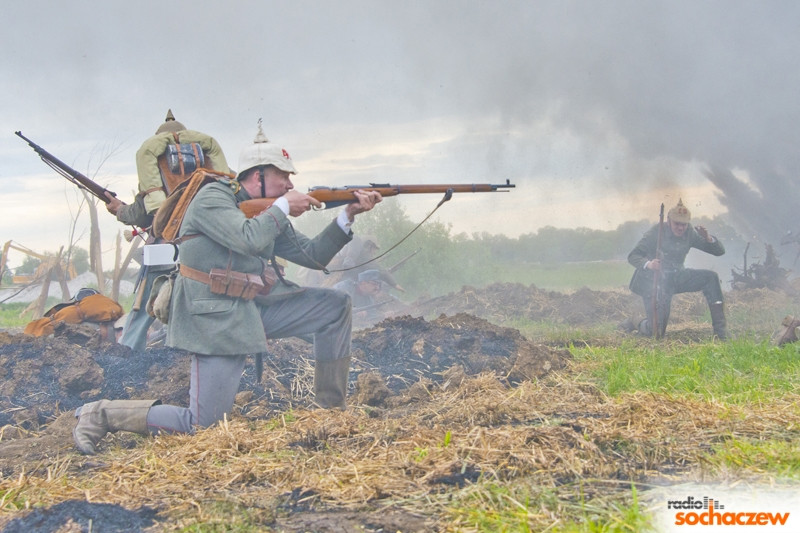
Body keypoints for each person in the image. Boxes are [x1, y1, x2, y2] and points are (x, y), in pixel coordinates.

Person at [73, 124, 382, 454]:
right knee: (201, 425)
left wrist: (347, 216)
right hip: (213, 317)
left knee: (335, 306)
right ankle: (98, 414)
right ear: (258, 175)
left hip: (249, 309)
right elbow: (245, 237)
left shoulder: (266, 209)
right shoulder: (212, 197)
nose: (291, 184)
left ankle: (330, 413)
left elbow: (313, 255)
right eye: (284, 176)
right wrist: (280, 209)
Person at [105, 110, 231, 351]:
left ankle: (128, 352)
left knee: (144, 305)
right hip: (209, 246)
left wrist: (118, 210)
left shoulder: (158, 165)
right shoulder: (210, 168)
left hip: (166, 247)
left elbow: (141, 213)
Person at [627, 198, 727, 340]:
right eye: (677, 224)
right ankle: (635, 321)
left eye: (684, 224)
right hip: (654, 282)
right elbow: (633, 256)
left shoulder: (689, 233)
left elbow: (719, 252)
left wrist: (708, 238)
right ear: (668, 221)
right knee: (657, 332)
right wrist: (649, 264)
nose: (681, 228)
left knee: (711, 278)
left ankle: (721, 333)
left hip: (677, 277)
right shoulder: (656, 232)